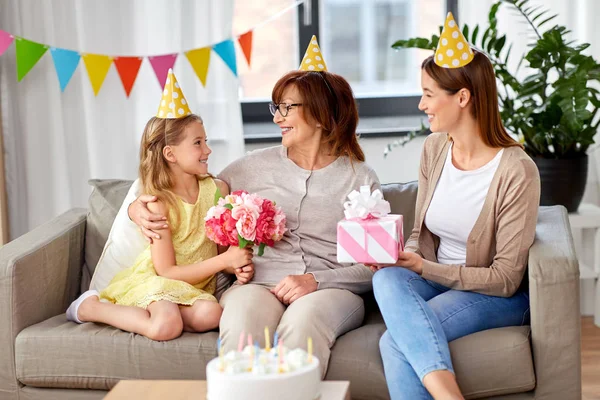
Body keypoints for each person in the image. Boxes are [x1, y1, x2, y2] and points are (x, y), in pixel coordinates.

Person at [128, 36, 380, 376]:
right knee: (244, 326)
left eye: (288, 108)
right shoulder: (248, 168)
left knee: (302, 328)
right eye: (276, 107)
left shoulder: (358, 179)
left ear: (322, 116)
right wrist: (136, 207)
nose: (278, 117)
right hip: (257, 285)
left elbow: (372, 268)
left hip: (329, 289)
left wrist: (314, 281)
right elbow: (185, 188)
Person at [370, 13, 541, 400]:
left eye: (429, 94)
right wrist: (403, 256)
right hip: (435, 277)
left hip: (494, 294)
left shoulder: (517, 170)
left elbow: (506, 279)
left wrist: (427, 267)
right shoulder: (434, 149)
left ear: (462, 97)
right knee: (385, 278)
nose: (421, 104)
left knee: (395, 343)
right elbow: (421, 234)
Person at [66, 70, 253, 341]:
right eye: (197, 143)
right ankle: (90, 307)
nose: (207, 150)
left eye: (206, 142)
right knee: (166, 327)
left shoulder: (218, 190)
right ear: (170, 154)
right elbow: (167, 271)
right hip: (159, 282)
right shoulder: (159, 203)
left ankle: (168, 314)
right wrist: (222, 261)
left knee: (212, 315)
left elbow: (220, 252)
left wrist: (234, 263)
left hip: (194, 290)